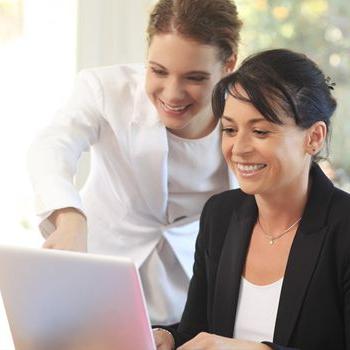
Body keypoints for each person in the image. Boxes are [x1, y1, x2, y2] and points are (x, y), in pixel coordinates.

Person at [27, 0, 242, 326]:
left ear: (229, 64)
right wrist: (69, 217)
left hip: (188, 294)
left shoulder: (244, 117)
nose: (172, 93)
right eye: (158, 71)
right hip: (95, 272)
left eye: (194, 77)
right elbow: (52, 146)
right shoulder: (106, 90)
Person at [154, 49, 350, 349]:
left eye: (260, 131)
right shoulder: (219, 214)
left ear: (314, 137)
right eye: (230, 129)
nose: (239, 148)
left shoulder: (344, 228)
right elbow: (198, 331)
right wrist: (165, 338)